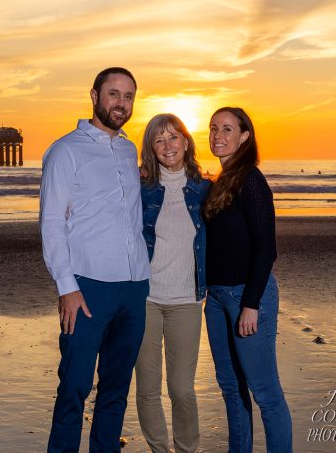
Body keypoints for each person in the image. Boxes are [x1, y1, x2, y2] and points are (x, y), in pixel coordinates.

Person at [39, 67, 150, 453]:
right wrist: (66, 288)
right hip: (87, 286)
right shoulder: (65, 150)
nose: (121, 103)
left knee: (116, 389)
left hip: (135, 287)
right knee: (74, 386)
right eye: (114, 94)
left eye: (129, 96)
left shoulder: (128, 149)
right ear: (94, 95)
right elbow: (52, 222)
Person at [203, 107, 293, 452]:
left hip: (248, 298)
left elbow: (266, 249)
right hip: (216, 300)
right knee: (229, 385)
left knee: (265, 391)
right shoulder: (219, 183)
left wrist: (251, 305)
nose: (218, 135)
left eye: (227, 129)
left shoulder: (251, 180)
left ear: (244, 136)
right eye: (213, 128)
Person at [136, 113, 210, 453]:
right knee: (148, 388)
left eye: (174, 137)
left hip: (187, 301)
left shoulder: (205, 189)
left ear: (186, 141)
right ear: (151, 148)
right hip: (146, 299)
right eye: (159, 139)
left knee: (182, 388)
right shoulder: (140, 188)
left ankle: (186, 449)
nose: (168, 145)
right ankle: (158, 449)